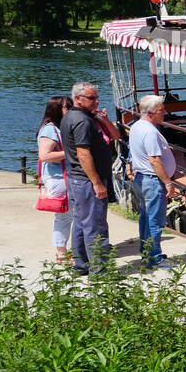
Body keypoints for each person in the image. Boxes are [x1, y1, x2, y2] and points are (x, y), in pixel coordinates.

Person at [61, 82, 120, 275]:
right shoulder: (82, 121)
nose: (96, 101)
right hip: (87, 181)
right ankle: (99, 271)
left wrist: (102, 119)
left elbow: (115, 136)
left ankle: (81, 265)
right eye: (92, 98)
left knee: (81, 222)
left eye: (96, 97)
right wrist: (96, 182)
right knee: (96, 226)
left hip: (78, 180)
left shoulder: (74, 116)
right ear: (78, 98)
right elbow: (83, 153)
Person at [129, 95, 179, 268]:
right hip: (152, 180)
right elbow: (154, 161)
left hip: (142, 178)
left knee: (146, 217)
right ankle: (154, 258)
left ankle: (147, 252)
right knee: (155, 221)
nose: (165, 112)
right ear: (150, 112)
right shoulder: (149, 131)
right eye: (161, 110)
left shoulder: (136, 126)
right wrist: (168, 182)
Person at [37, 95, 75, 264]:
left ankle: (65, 250)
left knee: (69, 215)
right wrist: (73, 153)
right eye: (67, 107)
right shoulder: (50, 129)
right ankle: (61, 252)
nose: (70, 110)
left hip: (65, 176)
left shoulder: (61, 127)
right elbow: (44, 155)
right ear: (56, 110)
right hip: (58, 177)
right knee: (65, 216)